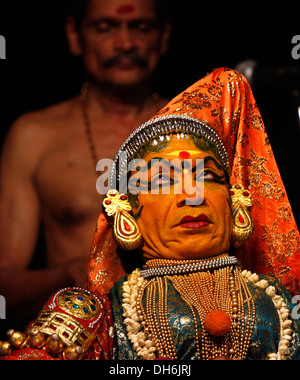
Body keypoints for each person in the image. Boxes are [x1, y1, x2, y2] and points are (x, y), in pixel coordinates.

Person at [1, 68, 300, 360]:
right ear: (128, 214)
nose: (190, 197)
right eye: (162, 181)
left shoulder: (285, 308)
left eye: (206, 176)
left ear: (235, 200)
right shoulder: (95, 320)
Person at [0, 0, 171, 328]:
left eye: (141, 27)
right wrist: (70, 275)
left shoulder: (197, 129)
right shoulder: (34, 136)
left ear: (164, 36)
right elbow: (5, 291)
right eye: (105, 28)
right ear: (74, 35)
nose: (125, 43)